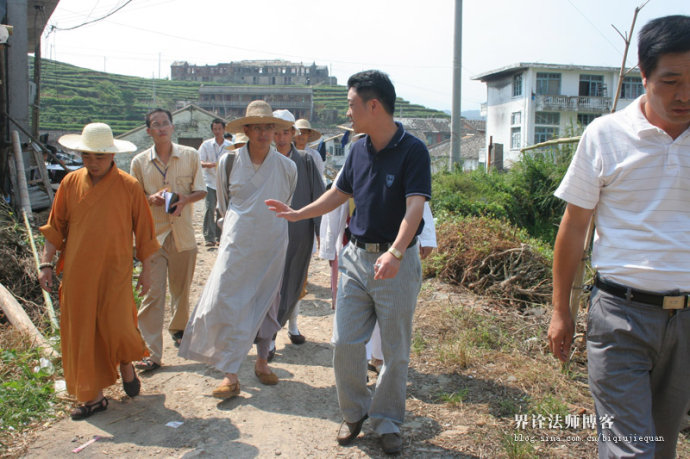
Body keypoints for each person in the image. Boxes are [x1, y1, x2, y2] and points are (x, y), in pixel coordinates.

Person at [547, 15, 690, 458]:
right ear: (643, 77)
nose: (684, 95)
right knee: (632, 450)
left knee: (661, 447)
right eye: (671, 81)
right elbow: (574, 227)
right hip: (621, 317)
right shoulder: (606, 136)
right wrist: (560, 311)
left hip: (686, 321)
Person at [267, 70, 431, 455]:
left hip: (396, 262)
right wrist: (298, 214)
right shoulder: (357, 149)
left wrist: (395, 251)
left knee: (394, 351)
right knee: (344, 342)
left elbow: (415, 207)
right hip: (356, 259)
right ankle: (355, 411)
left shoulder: (414, 150)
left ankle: (388, 420)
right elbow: (339, 194)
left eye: (352, 104)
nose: (349, 112)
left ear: (374, 106)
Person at [38, 123, 159, 420]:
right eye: (87, 156)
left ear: (111, 156)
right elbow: (56, 227)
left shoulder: (129, 186)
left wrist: (146, 270)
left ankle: (126, 362)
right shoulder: (69, 183)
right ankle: (93, 397)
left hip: (115, 269)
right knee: (83, 331)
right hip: (78, 271)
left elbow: (144, 233)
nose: (92, 163)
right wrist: (46, 262)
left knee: (118, 324)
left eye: (99, 157)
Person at [178, 100, 297, 398]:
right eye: (257, 128)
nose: (264, 133)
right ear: (246, 130)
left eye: (269, 127)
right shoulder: (228, 162)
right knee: (229, 300)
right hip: (237, 243)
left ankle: (261, 361)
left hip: (272, 244)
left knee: (268, 301)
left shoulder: (287, 166)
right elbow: (223, 207)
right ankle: (230, 373)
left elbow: (286, 204)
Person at [130, 108, 207, 371]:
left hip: (183, 234)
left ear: (172, 128)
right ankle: (150, 352)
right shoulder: (139, 162)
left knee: (181, 289)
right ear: (148, 131)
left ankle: (179, 328)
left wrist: (185, 199)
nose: (161, 128)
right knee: (152, 294)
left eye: (165, 123)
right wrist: (148, 199)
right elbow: (133, 198)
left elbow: (201, 191)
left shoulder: (190, 155)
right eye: (155, 124)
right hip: (153, 237)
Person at [271, 109, 325, 350]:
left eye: (286, 132)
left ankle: (292, 327)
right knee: (271, 283)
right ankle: (268, 337)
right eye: (277, 132)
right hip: (269, 232)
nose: (281, 137)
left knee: (297, 278)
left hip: (299, 231)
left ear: (293, 133)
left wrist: (320, 232)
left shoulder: (305, 160)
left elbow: (318, 197)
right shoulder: (262, 159)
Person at [198, 118, 231, 247]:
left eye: (219, 129)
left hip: (224, 182)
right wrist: (211, 165)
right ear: (212, 130)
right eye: (215, 129)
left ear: (224, 129)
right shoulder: (206, 145)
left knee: (221, 210)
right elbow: (199, 162)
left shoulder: (230, 145)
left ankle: (220, 236)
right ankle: (209, 237)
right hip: (209, 182)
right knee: (209, 207)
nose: (217, 131)